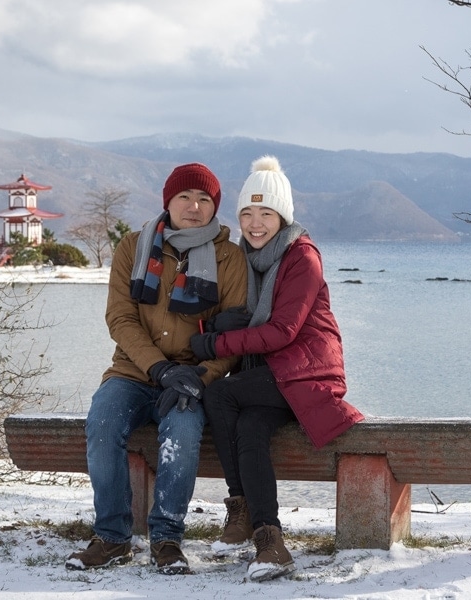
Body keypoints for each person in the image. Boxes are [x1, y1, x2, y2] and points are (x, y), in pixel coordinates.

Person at [66, 163, 248, 575]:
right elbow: (120, 319)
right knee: (103, 423)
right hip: (133, 372)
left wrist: (199, 377)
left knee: (181, 435)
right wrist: (159, 369)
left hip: (191, 378)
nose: (194, 206)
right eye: (185, 197)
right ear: (168, 201)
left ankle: (167, 539)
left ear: (214, 207)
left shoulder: (229, 257)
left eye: (204, 199)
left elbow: (233, 335)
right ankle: (112, 537)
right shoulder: (134, 246)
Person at [190, 155, 364, 582]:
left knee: (219, 393)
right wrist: (210, 324)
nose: (254, 223)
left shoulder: (301, 257)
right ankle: (271, 541)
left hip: (307, 373)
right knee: (248, 426)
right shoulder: (246, 260)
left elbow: (283, 330)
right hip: (269, 376)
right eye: (246, 213)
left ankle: (240, 507)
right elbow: (230, 311)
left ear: (282, 215)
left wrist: (214, 342)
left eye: (265, 212)